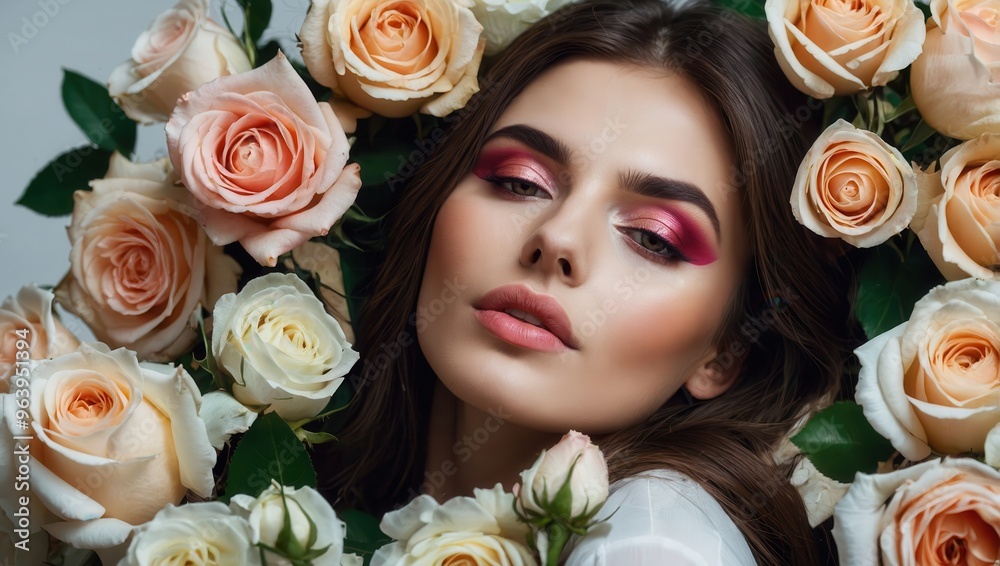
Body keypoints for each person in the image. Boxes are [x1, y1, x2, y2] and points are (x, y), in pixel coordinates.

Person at [322, 0, 856, 563]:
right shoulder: (308, 485)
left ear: (726, 352)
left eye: (653, 237)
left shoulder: (657, 539)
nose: (558, 238)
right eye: (520, 182)